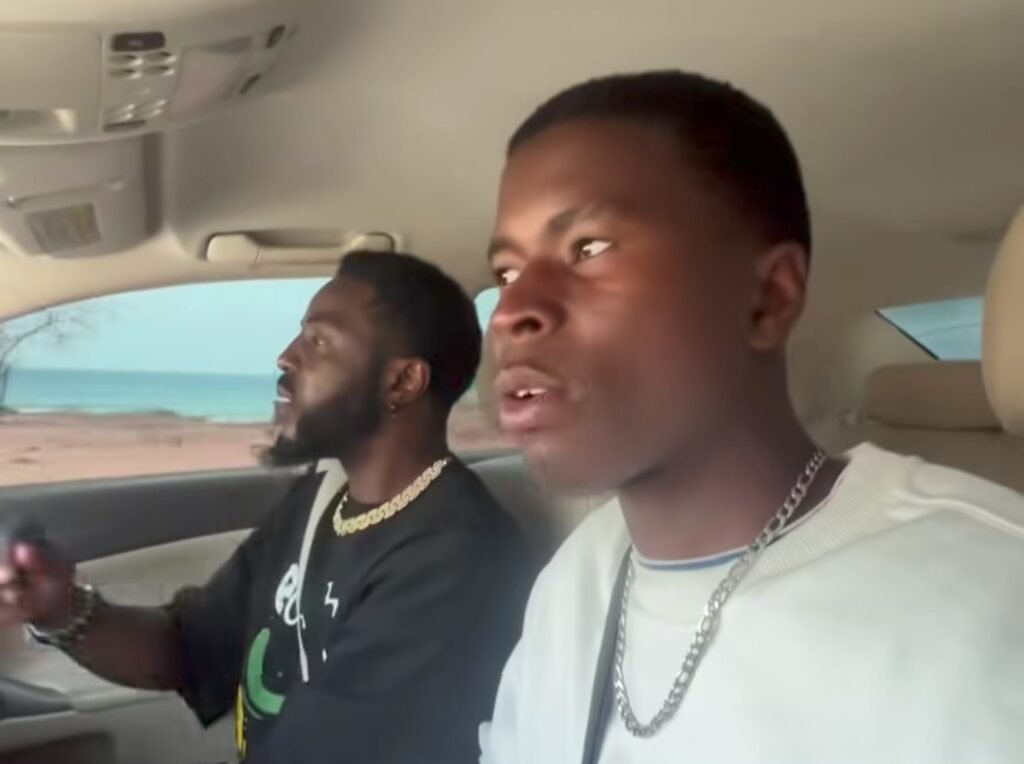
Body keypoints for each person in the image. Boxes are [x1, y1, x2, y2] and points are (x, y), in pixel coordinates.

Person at [478, 71, 1024, 763]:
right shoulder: (576, 576)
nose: (510, 312)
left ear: (767, 299)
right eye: (505, 273)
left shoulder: (989, 608)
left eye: (588, 247)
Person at [0, 251, 531, 764]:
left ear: (402, 381)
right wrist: (61, 609)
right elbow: (189, 649)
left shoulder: (456, 561)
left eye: (319, 340)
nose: (285, 357)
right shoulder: (319, 502)